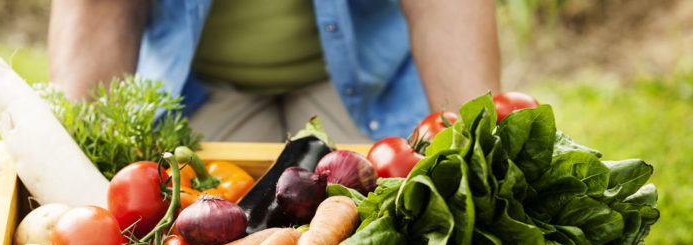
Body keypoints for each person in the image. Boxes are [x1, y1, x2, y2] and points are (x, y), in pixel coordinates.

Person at [48, 0, 500, 143]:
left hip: (366, 80)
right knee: (200, 231)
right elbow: (102, 8)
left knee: (389, 227)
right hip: (197, 84)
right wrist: (71, 153)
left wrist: (480, 149)